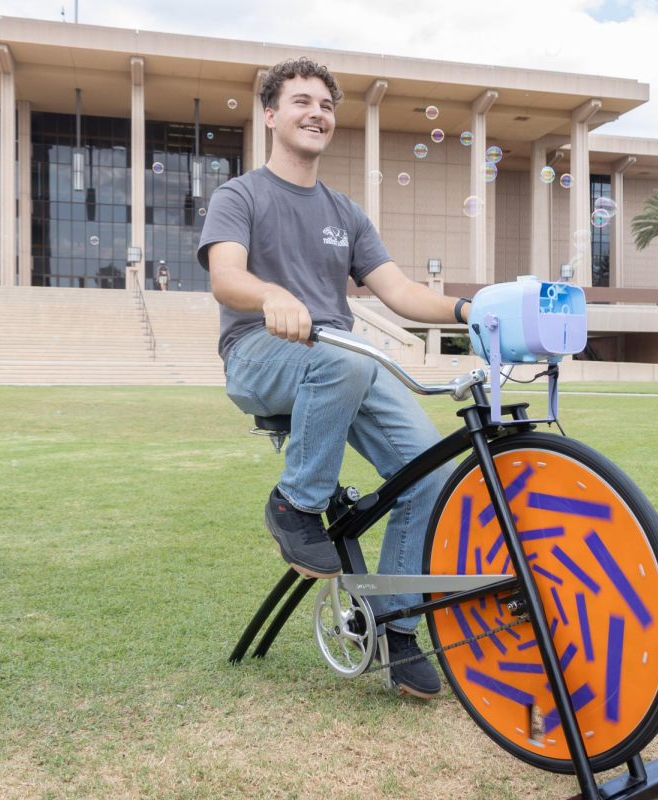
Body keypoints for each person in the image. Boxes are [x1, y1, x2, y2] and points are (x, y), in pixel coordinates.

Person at [197, 58, 471, 699]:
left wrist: (468, 310)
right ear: (270, 114)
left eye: (326, 103)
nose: (317, 112)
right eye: (301, 101)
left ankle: (396, 628)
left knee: (430, 474)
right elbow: (225, 276)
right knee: (345, 357)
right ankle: (295, 506)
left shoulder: (345, 212)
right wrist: (270, 296)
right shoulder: (241, 195)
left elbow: (400, 292)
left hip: (339, 355)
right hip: (260, 350)